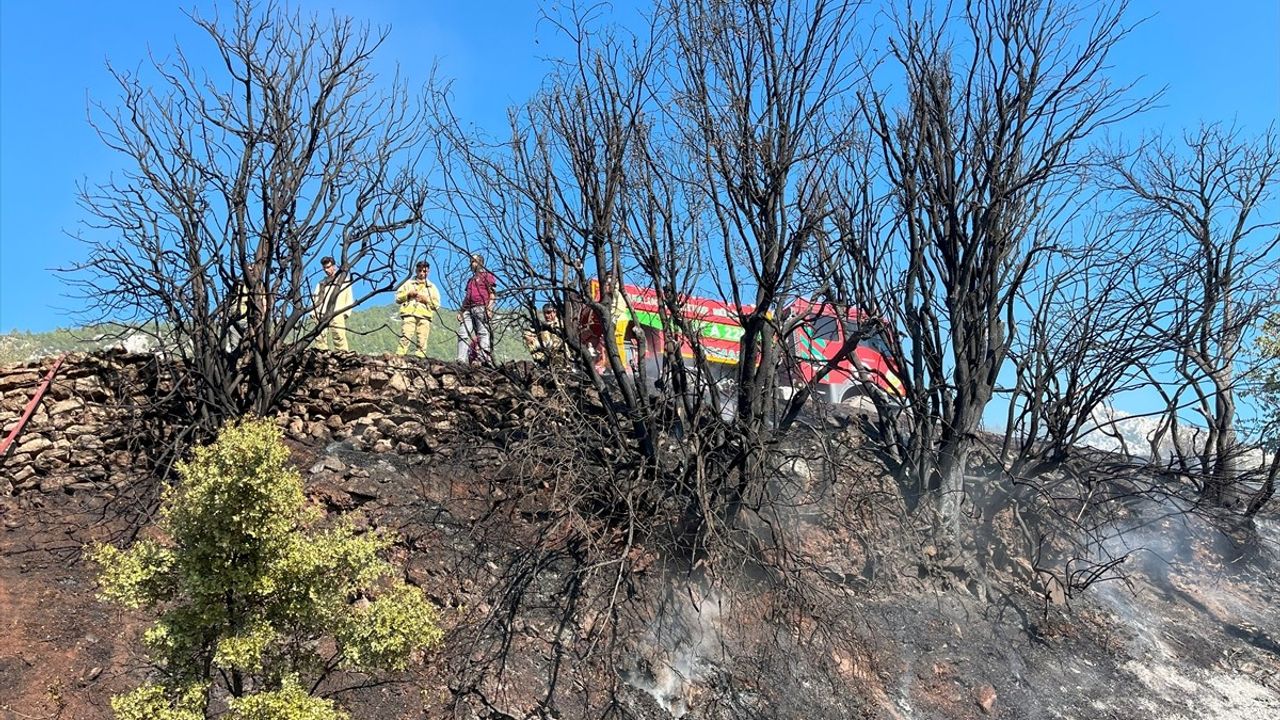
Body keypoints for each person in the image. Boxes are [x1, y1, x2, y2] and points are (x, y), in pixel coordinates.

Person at [395, 260, 441, 358]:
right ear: (416, 270)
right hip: (409, 314)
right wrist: (408, 294)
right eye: (419, 270)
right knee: (406, 335)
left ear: (428, 272)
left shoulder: (432, 287)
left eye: (424, 271)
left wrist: (426, 300)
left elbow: (436, 305)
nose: (421, 273)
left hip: (424, 316)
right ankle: (400, 355)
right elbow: (398, 298)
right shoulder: (408, 284)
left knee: (422, 339)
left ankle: (420, 357)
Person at [457, 254, 497, 365]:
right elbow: (467, 297)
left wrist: (489, 308)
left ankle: (483, 358)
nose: (472, 264)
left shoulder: (487, 276)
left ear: (480, 263)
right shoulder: (470, 280)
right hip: (469, 309)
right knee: (463, 332)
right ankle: (461, 359)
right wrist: (461, 311)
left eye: (474, 261)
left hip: (481, 306)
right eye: (471, 262)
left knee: (483, 332)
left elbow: (492, 293)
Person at [314, 256, 354, 351]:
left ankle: (342, 355)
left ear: (334, 266)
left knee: (339, 335)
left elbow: (349, 296)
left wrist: (346, 312)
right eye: (324, 268)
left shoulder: (343, 280)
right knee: (320, 337)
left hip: (337, 311)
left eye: (328, 267)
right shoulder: (321, 283)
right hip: (322, 313)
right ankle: (322, 356)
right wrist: (313, 312)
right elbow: (315, 297)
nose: (326, 270)